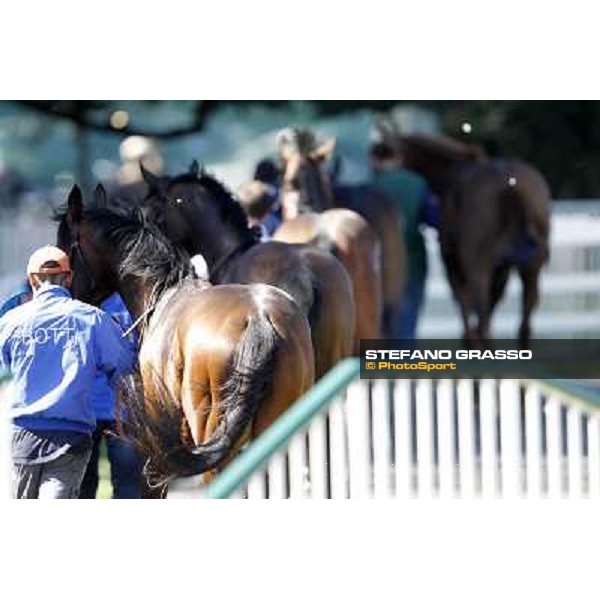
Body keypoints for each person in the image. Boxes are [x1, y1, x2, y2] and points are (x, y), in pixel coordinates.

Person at [0, 246, 136, 499]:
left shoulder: (10, 320)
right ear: (69, 278)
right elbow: (124, 363)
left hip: (23, 435)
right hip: (71, 435)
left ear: (32, 280)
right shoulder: (93, 319)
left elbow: (4, 367)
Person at [370, 138, 440, 340]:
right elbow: (434, 219)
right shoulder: (417, 183)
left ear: (373, 159)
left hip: (376, 263)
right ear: (398, 159)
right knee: (407, 322)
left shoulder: (370, 186)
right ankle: (404, 366)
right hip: (412, 260)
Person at [78, 292, 143, 499]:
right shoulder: (134, 304)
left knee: (84, 486)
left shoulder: (83, 305)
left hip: (91, 409)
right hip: (122, 409)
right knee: (127, 485)